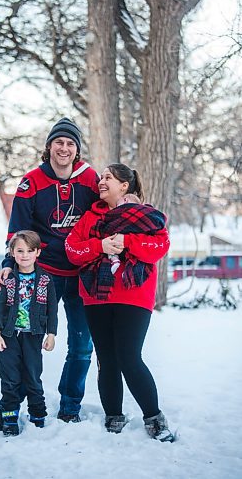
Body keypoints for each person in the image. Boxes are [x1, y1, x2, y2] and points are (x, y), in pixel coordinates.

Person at [0, 117, 99, 428]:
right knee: (26, 342)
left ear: (77, 150)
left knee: (81, 345)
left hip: (81, 273)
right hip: (42, 275)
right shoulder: (32, 181)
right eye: (58, 142)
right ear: (49, 146)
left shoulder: (90, 179)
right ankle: (9, 405)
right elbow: (18, 229)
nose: (64, 148)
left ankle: (70, 406)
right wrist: (9, 263)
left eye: (70, 143)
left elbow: (109, 210)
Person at [65, 163, 174, 442]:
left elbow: (159, 246)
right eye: (101, 177)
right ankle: (113, 415)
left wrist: (126, 240)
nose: (101, 182)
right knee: (107, 359)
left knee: (129, 356)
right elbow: (72, 249)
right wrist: (99, 246)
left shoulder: (146, 215)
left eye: (108, 178)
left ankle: (154, 418)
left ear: (124, 186)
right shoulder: (91, 217)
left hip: (133, 295)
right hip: (96, 297)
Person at [0, 230, 57, 436]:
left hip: (33, 335)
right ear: (12, 253)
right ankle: (9, 419)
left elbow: (52, 309)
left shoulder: (46, 279)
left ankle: (37, 415)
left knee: (33, 376)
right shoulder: (7, 278)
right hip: (9, 335)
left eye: (30, 250)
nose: (25, 255)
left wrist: (51, 334)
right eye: (20, 250)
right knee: (9, 377)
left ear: (37, 252)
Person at [107, 193, 141, 274]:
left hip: (120, 240)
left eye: (118, 204)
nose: (117, 208)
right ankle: (121, 265)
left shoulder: (127, 213)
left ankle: (115, 260)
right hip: (126, 245)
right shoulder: (139, 214)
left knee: (111, 248)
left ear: (125, 200)